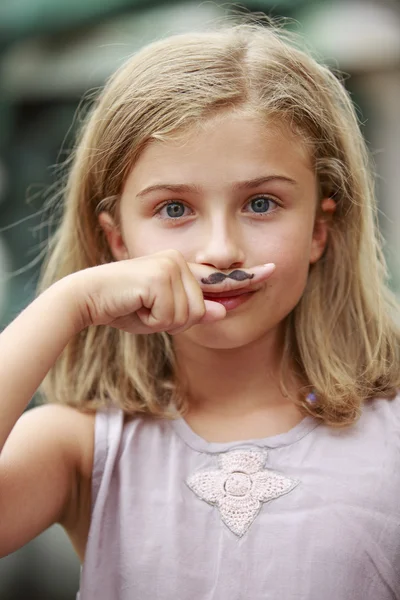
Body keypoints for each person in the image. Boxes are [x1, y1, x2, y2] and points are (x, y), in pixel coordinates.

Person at [0, 20, 399, 600]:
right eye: (174, 209)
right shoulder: (80, 446)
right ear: (117, 242)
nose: (220, 250)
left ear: (319, 228)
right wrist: (69, 303)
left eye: (261, 204)